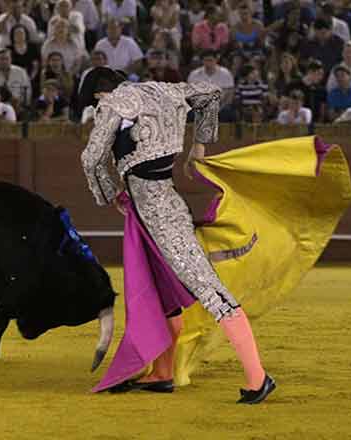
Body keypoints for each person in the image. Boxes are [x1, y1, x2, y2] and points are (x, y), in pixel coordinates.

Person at [79, 66, 275, 404]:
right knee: (161, 292)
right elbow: (211, 94)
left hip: (160, 216)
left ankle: (259, 379)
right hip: (159, 208)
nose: (97, 107)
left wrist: (111, 194)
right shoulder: (166, 90)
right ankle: (162, 373)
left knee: (211, 291)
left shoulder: (114, 103)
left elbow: (91, 159)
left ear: (99, 93)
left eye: (95, 101)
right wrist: (198, 149)